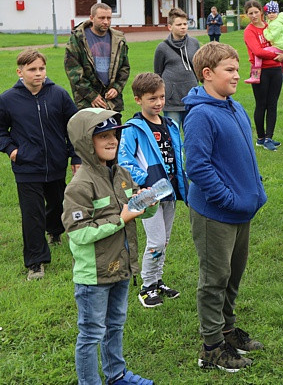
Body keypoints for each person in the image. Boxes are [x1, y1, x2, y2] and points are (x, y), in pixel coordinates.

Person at [183, 42, 268, 372]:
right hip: (215, 213)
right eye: (229, 70)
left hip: (242, 210)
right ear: (207, 74)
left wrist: (255, 190)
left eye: (237, 68)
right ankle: (212, 348)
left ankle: (227, 331)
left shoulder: (234, 107)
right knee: (214, 279)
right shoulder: (201, 115)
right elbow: (198, 167)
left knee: (233, 276)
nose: (238, 75)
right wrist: (228, 199)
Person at [62, 109, 156, 385]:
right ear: (84, 142)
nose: (112, 140)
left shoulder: (122, 174)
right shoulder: (79, 185)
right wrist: (120, 219)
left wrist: (147, 203)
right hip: (94, 275)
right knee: (91, 333)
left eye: (114, 134)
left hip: (121, 267)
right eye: (102, 136)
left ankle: (116, 375)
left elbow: (136, 211)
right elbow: (78, 233)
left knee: (115, 325)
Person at [0, 48, 79, 281]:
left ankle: (55, 231)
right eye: (32, 69)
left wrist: (75, 156)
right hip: (26, 167)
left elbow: (73, 127)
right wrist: (12, 150)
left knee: (57, 203)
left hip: (55, 163)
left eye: (41, 69)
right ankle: (36, 262)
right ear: (20, 72)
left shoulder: (59, 95)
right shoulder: (7, 99)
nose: (38, 74)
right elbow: (1, 131)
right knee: (32, 214)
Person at [118, 73, 187, 308]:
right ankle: (146, 287)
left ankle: (157, 281)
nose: (158, 103)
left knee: (164, 241)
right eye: (152, 99)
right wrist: (145, 180)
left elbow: (178, 156)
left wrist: (181, 181)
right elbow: (124, 160)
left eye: (161, 97)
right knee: (155, 241)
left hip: (170, 192)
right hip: (148, 195)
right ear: (138, 99)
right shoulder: (133, 128)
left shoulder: (170, 125)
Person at [64, 2, 130, 112]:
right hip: (87, 102)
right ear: (91, 18)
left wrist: (116, 88)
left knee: (114, 129)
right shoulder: (78, 39)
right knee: (91, 129)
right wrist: (91, 95)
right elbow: (73, 70)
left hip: (112, 101)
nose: (106, 22)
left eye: (109, 18)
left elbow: (124, 67)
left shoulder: (119, 40)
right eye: (101, 18)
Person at [243, 0, 283, 151]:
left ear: (261, 12)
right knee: (261, 104)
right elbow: (257, 51)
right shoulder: (249, 31)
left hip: (276, 69)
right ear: (246, 15)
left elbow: (282, 42)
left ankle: (269, 137)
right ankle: (260, 138)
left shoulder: (270, 26)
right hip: (259, 70)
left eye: (256, 12)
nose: (254, 16)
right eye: (250, 13)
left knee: (272, 104)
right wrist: (278, 54)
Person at [154, 7, 200, 130]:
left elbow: (199, 67)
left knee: (193, 131)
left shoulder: (194, 43)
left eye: (185, 24)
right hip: (172, 100)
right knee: (172, 133)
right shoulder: (162, 48)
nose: (183, 27)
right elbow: (158, 73)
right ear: (170, 27)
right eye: (179, 24)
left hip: (191, 97)